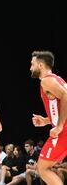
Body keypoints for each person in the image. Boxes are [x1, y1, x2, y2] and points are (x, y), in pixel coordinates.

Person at [30, 51, 67, 185]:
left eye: (32, 64)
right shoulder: (57, 79)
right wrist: (47, 120)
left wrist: (59, 126)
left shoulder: (47, 81)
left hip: (64, 131)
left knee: (43, 167)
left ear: (40, 65)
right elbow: (59, 104)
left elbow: (66, 97)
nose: (30, 68)